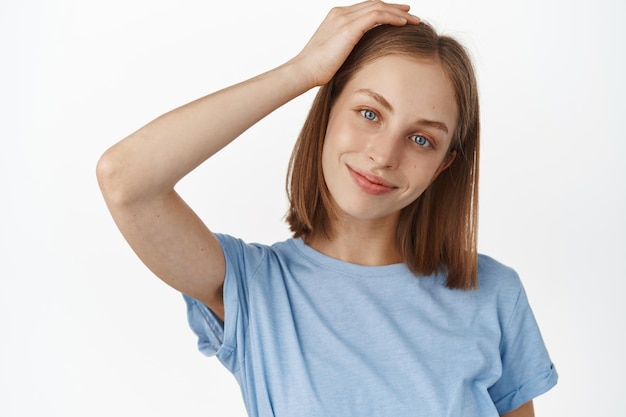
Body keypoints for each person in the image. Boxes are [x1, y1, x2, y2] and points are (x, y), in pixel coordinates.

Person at [96, 1, 557, 416]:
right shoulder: (254, 288)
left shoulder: (493, 293)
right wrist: (302, 70)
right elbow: (125, 180)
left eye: (422, 139)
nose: (384, 154)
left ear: (442, 166)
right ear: (328, 110)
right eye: (370, 113)